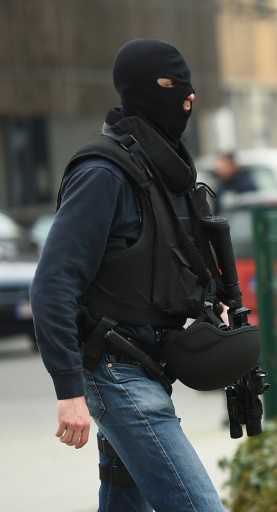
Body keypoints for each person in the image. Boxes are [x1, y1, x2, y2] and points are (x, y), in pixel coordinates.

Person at [30, 39, 227, 511]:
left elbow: (169, 263)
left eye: (189, 86)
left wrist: (212, 302)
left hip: (153, 367)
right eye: (170, 85)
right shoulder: (105, 173)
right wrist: (68, 390)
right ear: (140, 90)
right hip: (116, 372)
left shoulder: (164, 170)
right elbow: (52, 283)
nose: (187, 97)